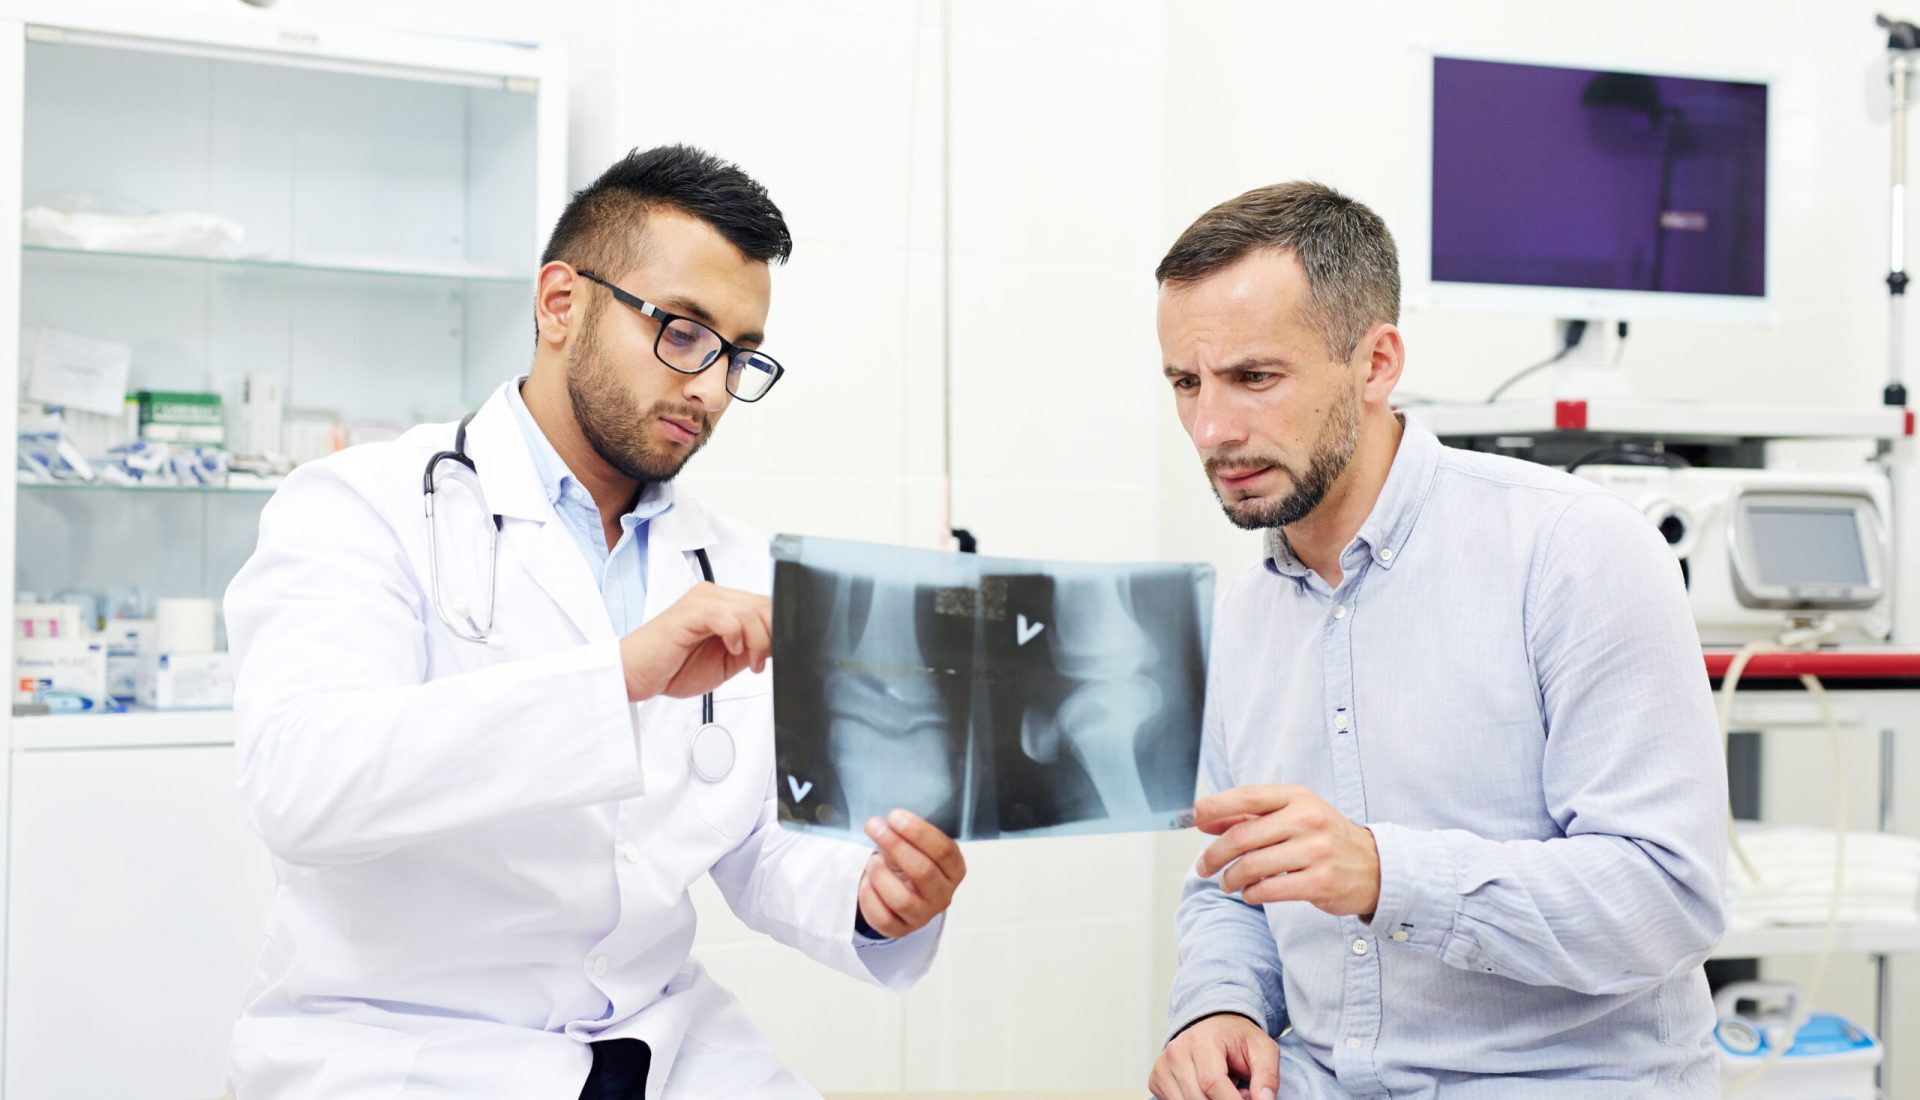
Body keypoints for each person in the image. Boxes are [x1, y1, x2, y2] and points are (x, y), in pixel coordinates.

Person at [224, 145, 966, 1100]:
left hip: (663, 1044)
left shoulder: (731, 565)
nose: (709, 387)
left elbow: (750, 839)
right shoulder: (359, 507)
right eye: (685, 332)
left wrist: (870, 898)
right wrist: (618, 675)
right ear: (561, 303)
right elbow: (301, 785)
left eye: (739, 356)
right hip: (406, 1049)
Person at [1145, 182, 1727, 1100]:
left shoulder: (1572, 551)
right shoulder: (1244, 619)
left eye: (1255, 378)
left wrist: (1389, 874)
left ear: (1376, 364)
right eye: (1188, 383)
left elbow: (1666, 897)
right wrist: (1220, 1008)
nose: (1213, 429)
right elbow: (1233, 887)